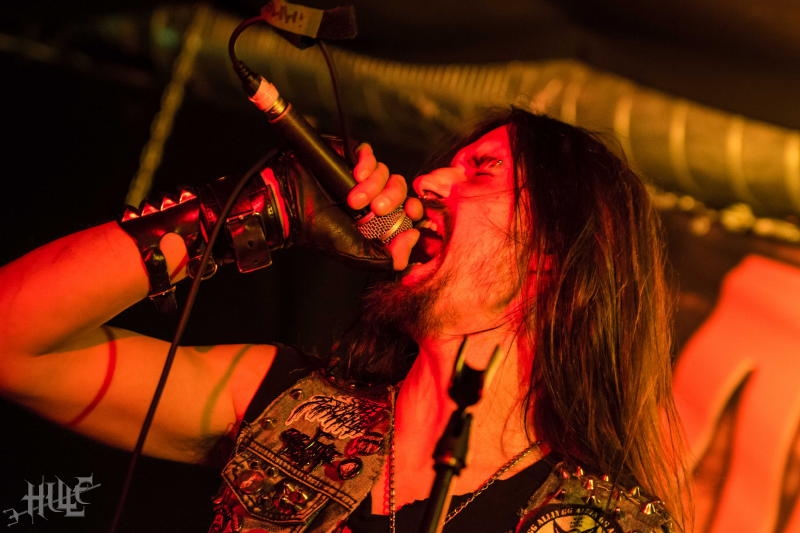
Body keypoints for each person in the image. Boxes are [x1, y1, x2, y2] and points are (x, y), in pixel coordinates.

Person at [0, 107, 689, 532]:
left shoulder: (600, 523)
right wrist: (244, 213)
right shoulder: (285, 402)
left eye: (480, 171)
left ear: (555, 254)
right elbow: (12, 341)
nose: (429, 182)